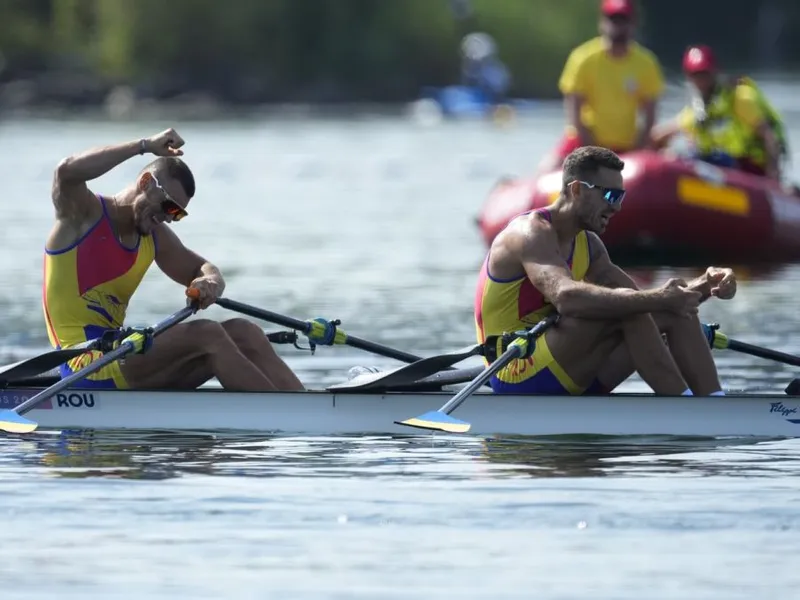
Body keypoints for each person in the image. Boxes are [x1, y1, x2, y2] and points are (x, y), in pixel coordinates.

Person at [43, 128, 304, 392]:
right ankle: (285, 415)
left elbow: (202, 268)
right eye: (168, 206)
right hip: (82, 365)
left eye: (178, 213)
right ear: (145, 182)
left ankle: (305, 409)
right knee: (207, 333)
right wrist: (143, 145)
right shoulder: (82, 215)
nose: (168, 217)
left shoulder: (153, 237)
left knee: (244, 332)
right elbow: (66, 172)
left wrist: (209, 281)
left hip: (118, 353)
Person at [474, 145, 737, 396]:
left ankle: (713, 402)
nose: (617, 207)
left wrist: (705, 284)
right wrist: (659, 298)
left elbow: (645, 299)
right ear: (577, 189)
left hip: (564, 366)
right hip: (514, 373)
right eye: (610, 195)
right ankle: (688, 409)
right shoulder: (530, 233)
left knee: (671, 312)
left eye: (621, 196)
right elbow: (567, 298)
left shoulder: (589, 245)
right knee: (629, 310)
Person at [537, 0, 664, 173]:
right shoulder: (583, 59)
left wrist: (639, 148)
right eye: (613, 20)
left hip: (627, 145)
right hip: (583, 141)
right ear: (602, 22)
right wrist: (593, 149)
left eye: (623, 20)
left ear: (633, 23)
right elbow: (573, 112)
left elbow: (650, 116)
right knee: (548, 167)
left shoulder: (646, 64)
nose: (618, 26)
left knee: (664, 161)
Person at [650, 45, 788, 182]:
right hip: (725, 168)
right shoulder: (697, 111)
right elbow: (662, 134)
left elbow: (769, 137)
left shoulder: (739, 98)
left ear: (715, 72)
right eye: (696, 75)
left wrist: (773, 175)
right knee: (679, 156)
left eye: (705, 74)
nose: (701, 81)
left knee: (712, 160)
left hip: (751, 166)